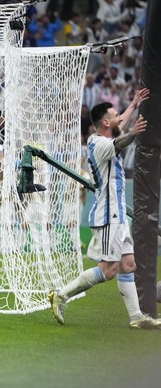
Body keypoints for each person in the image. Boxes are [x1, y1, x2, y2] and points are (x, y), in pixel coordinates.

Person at [49, 90, 161, 330]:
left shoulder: (105, 135)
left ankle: (136, 317)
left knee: (128, 264)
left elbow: (119, 125)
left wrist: (133, 105)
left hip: (118, 215)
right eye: (115, 115)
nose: (120, 117)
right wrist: (133, 133)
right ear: (105, 123)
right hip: (108, 215)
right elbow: (120, 141)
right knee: (108, 270)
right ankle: (62, 295)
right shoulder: (98, 143)